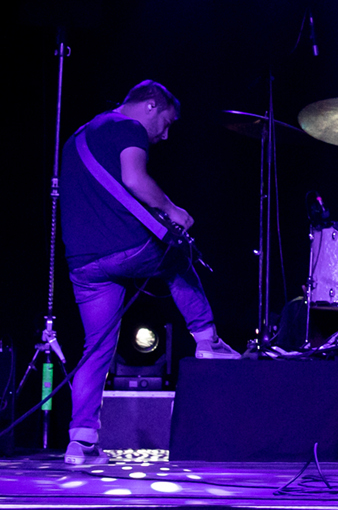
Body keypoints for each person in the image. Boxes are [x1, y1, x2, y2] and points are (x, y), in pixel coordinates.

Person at [59, 80, 240, 466]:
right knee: (178, 256)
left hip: (84, 263)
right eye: (167, 122)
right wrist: (173, 210)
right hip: (127, 249)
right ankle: (207, 340)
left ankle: (81, 440)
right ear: (151, 105)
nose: (166, 134)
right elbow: (134, 179)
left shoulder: (77, 136)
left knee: (95, 347)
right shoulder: (129, 127)